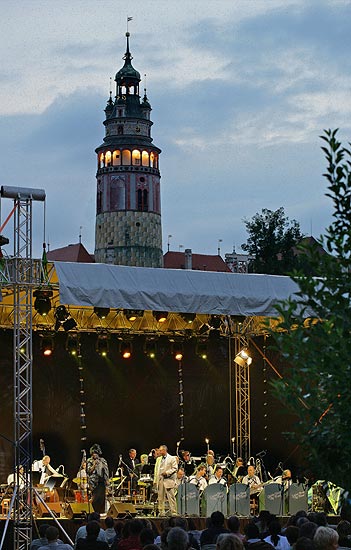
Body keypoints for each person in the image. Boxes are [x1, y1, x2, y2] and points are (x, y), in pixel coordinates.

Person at [155, 445, 178, 516]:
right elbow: (156, 470)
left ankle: (174, 512)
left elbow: (175, 468)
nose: (159, 451)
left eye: (161, 450)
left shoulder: (172, 458)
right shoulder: (158, 459)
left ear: (165, 450)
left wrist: (167, 473)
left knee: (171, 497)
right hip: (161, 480)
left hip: (168, 479)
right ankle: (161, 512)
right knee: (160, 497)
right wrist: (156, 480)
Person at [87, 444, 109, 514]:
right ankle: (94, 513)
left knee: (101, 498)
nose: (94, 455)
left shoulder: (103, 460)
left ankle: (101, 512)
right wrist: (94, 465)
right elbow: (88, 471)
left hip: (102, 481)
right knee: (95, 498)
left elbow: (106, 471)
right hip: (94, 483)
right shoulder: (89, 460)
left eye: (96, 453)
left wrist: (107, 480)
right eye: (93, 453)